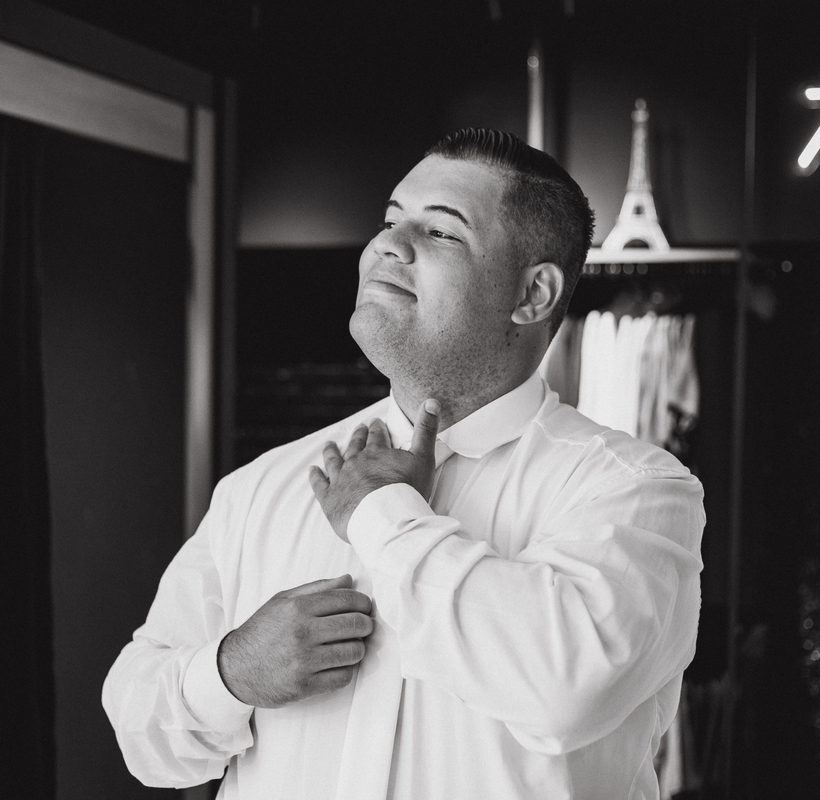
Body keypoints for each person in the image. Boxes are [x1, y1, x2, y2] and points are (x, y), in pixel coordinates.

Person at [103, 128, 704, 799]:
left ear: (533, 294)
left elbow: (564, 692)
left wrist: (382, 516)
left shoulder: (635, 491)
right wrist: (232, 673)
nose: (388, 245)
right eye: (391, 220)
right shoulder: (263, 487)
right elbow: (141, 737)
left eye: (440, 231)